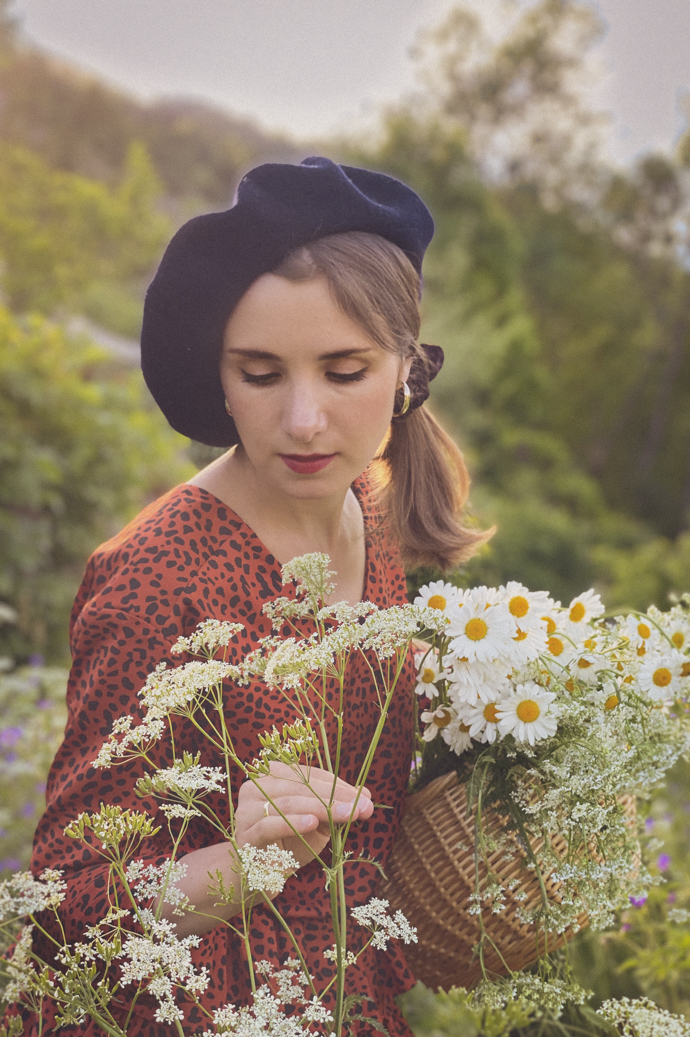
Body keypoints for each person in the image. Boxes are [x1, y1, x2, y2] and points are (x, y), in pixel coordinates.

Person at [21, 157, 486, 1036]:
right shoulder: (158, 576)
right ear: (220, 380)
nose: (304, 420)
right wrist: (246, 861)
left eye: (344, 371)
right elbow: (66, 918)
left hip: (349, 1001)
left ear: (406, 372)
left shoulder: (371, 506)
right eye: (262, 373)